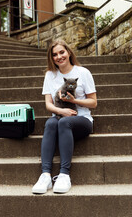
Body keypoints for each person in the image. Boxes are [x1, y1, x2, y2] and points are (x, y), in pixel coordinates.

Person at [32, 39, 97, 194]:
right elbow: (48, 104)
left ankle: (64, 175)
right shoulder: (50, 75)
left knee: (64, 123)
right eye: (54, 54)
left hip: (82, 119)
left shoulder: (83, 72)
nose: (59, 56)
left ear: (68, 52)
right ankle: (45, 175)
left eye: (62, 52)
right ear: (51, 58)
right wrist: (62, 111)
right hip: (60, 116)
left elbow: (94, 103)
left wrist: (73, 101)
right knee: (50, 123)